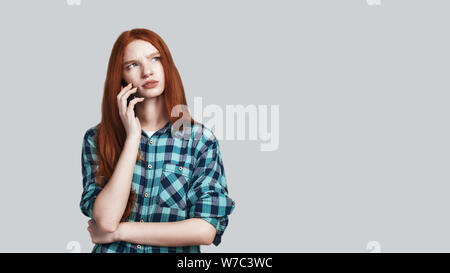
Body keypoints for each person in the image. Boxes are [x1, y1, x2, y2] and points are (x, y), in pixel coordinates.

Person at [80, 28, 236, 253]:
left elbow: (205, 229)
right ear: (121, 77)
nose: (147, 71)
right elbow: (105, 219)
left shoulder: (200, 141)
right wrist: (132, 138)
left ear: (167, 66)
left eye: (155, 59)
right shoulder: (97, 139)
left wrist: (120, 232)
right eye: (132, 65)